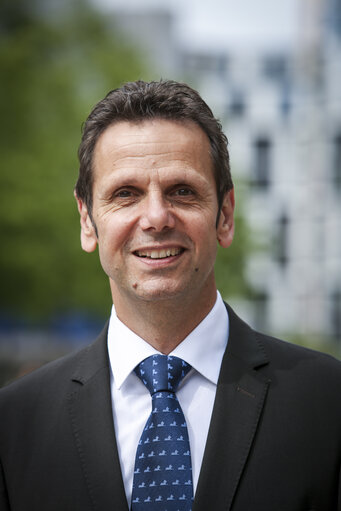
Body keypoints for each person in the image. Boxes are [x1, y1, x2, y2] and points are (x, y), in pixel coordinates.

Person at [0, 80, 340, 511]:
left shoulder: (328, 404)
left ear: (225, 216)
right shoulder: (14, 424)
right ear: (88, 221)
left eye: (183, 191)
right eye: (126, 194)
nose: (157, 217)